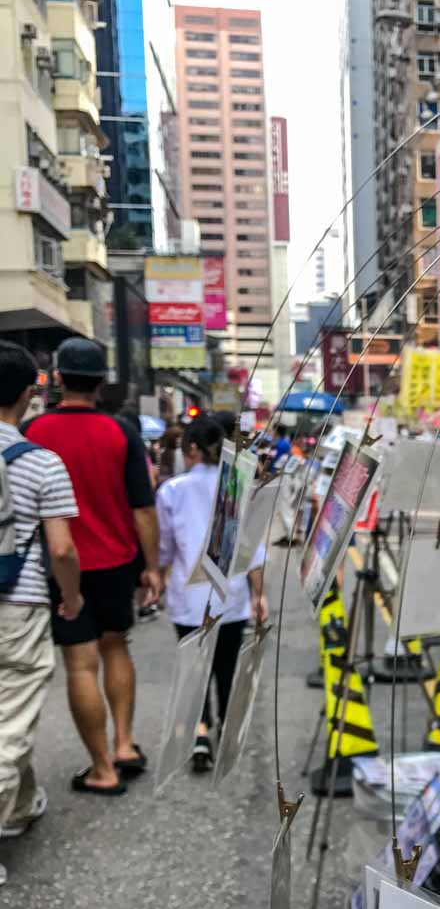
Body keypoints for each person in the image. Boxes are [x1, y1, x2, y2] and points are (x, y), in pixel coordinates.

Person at [24, 338, 160, 795]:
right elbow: (143, 509)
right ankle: (125, 744)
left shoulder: (34, 432)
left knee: (81, 665)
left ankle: (102, 768)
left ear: (58, 378)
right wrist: (153, 567)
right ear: (102, 382)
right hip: (118, 561)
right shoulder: (121, 432)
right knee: (116, 646)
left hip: (61, 568)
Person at [0, 344, 81, 875]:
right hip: (18, 603)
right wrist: (71, 596)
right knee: (10, 721)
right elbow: (61, 550)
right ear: (30, 394)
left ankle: (21, 805)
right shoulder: (41, 463)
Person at [156, 415, 268, 770]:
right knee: (226, 663)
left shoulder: (172, 491)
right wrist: (259, 594)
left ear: (191, 448)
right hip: (230, 596)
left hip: (187, 597)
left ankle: (200, 731)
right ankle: (225, 729)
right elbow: (252, 549)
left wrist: (156, 577)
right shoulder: (236, 485)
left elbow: (165, 549)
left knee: (194, 667)